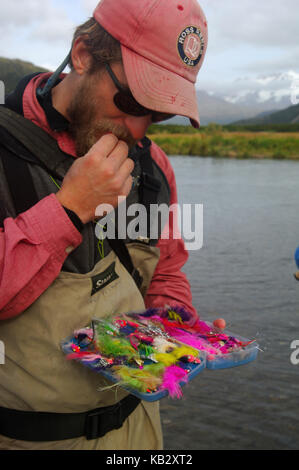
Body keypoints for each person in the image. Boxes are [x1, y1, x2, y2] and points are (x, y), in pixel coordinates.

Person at [0, 0, 208, 450]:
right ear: (82, 55)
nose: (137, 128)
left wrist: (175, 324)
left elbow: (167, 271)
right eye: (133, 101)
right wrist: (69, 209)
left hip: (140, 430)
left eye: (157, 114)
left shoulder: (153, 169)